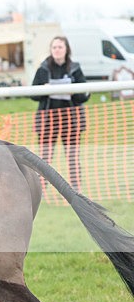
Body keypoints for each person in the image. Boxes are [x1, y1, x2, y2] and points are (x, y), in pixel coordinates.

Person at [31, 36, 89, 189]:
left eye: (60, 47)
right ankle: (41, 188)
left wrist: (73, 92)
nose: (57, 50)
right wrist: (44, 89)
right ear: (51, 50)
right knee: (44, 157)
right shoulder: (43, 69)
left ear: (66, 50)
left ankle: (76, 189)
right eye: (54, 47)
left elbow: (85, 95)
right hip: (47, 121)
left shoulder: (75, 69)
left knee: (72, 157)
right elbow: (32, 94)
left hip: (71, 121)